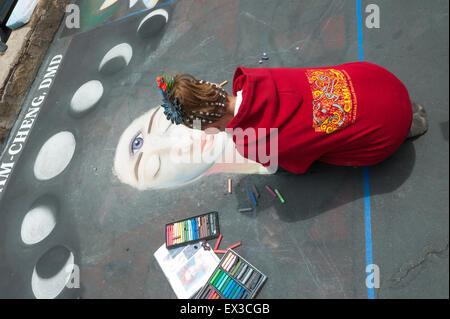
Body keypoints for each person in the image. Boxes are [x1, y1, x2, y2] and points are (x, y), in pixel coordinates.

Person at [155, 62, 428, 174]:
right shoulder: (255, 78)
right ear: (215, 86)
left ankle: (403, 126)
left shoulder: (252, 144)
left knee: (320, 149)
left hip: (385, 135)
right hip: (381, 79)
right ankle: (401, 110)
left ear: (209, 127)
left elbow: (297, 166)